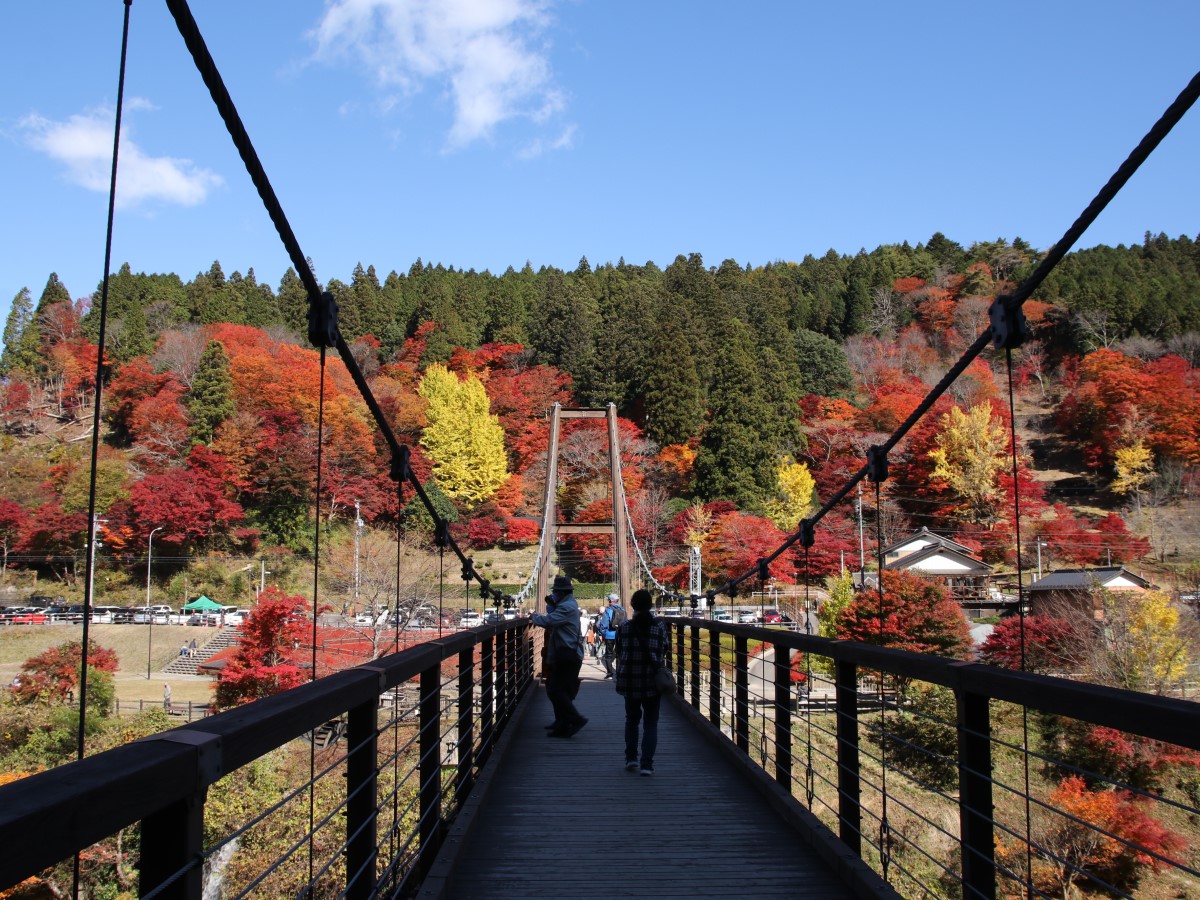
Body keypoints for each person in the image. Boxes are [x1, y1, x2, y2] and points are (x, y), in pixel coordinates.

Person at [614, 589, 669, 776]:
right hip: (652, 682)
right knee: (651, 723)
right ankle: (647, 765)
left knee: (631, 720)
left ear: (632, 605)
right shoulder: (660, 627)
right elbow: (665, 650)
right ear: (651, 605)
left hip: (629, 679)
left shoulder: (624, 627)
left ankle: (631, 758)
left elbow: (619, 651)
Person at [529, 575, 588, 738]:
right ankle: (562, 724)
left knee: (556, 689)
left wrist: (534, 617)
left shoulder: (566, 607)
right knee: (559, 689)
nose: (554, 594)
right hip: (567, 653)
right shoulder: (568, 604)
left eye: (556, 592)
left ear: (561, 593)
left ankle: (575, 719)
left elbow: (549, 621)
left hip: (567, 653)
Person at [597, 592, 626, 679]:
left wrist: (601, 633)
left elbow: (604, 624)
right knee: (619, 653)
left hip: (610, 635)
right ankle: (619, 672)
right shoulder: (622, 609)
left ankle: (610, 673)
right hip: (620, 634)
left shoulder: (608, 610)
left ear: (610, 601)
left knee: (608, 654)